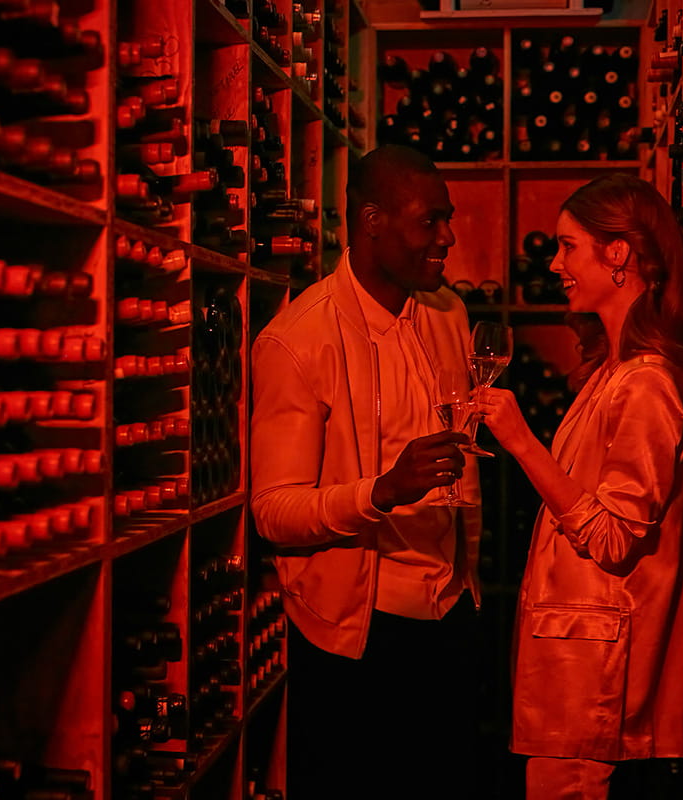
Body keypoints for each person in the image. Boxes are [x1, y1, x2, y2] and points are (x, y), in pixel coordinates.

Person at [249, 144, 482, 800]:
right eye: (429, 221)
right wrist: (381, 490)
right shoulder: (298, 342)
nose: (448, 236)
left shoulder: (448, 316)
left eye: (449, 218)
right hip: (359, 638)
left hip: (452, 617)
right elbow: (273, 510)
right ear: (372, 220)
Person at [477, 173, 683, 799]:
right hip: (577, 673)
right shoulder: (614, 371)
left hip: (599, 685)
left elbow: (613, 537)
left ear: (619, 253)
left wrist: (520, 440)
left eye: (569, 246)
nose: (555, 263)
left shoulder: (647, 384)